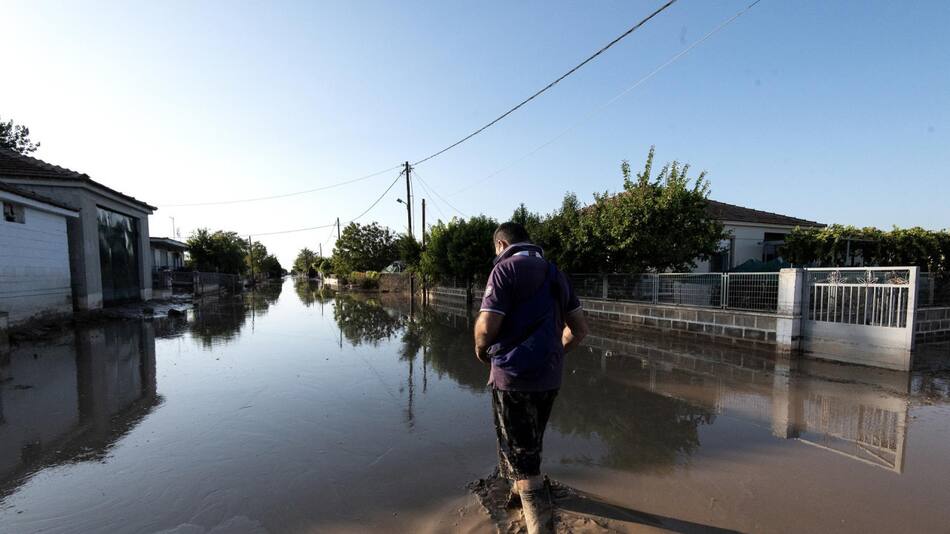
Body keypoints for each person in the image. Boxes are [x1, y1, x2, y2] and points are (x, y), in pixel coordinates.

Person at [473, 222, 589, 534]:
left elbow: (486, 328)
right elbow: (579, 331)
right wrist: (555, 354)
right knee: (528, 442)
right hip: (549, 379)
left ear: (500, 245)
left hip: (512, 378)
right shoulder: (555, 273)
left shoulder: (504, 269)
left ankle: (539, 525)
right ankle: (515, 495)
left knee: (525, 460)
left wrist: (481, 351)